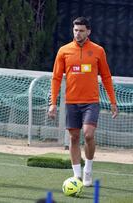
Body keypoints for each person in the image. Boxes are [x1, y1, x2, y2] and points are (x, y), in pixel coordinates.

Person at [48, 17, 118, 187]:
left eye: (81, 30)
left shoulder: (98, 50)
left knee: (88, 134)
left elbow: (107, 77)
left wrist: (113, 101)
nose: (77, 33)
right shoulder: (64, 51)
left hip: (91, 102)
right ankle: (77, 176)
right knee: (73, 137)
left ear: (88, 31)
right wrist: (53, 103)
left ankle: (88, 168)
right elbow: (56, 78)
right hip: (71, 102)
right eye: (75, 30)